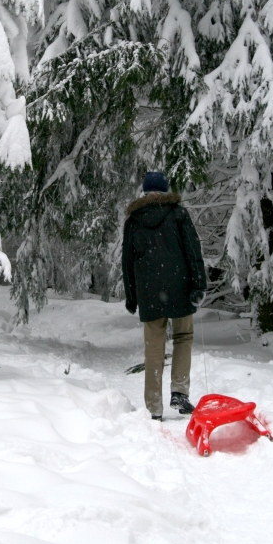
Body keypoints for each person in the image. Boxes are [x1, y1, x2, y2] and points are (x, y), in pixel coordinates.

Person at [122, 171, 207, 421]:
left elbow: (127, 262)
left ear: (145, 192)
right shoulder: (178, 214)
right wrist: (199, 284)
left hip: (149, 292)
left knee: (154, 348)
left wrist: (131, 296)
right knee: (183, 336)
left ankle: (154, 407)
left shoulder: (134, 221)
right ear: (165, 190)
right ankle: (179, 391)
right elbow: (193, 250)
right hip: (179, 286)